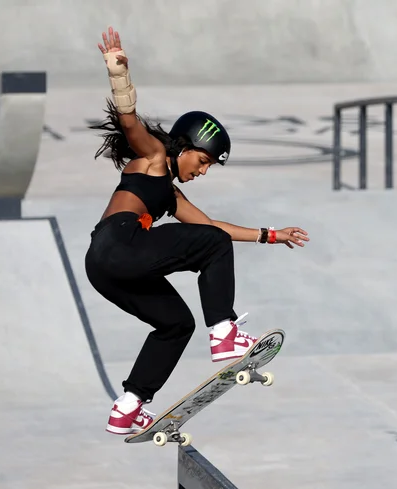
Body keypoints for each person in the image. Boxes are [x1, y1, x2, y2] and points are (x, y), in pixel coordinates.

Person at [84, 27, 310, 435]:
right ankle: (224, 333)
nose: (202, 171)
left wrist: (269, 235)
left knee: (175, 324)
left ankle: (128, 406)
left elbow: (209, 228)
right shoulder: (154, 157)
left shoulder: (169, 196)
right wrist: (119, 74)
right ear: (183, 146)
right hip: (121, 243)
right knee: (213, 248)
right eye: (202, 161)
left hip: (103, 266)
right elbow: (129, 122)